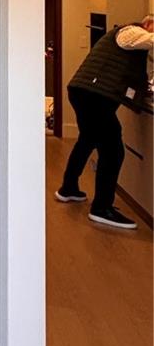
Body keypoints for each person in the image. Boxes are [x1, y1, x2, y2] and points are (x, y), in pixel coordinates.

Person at [56, 13, 154, 229]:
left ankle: (68, 188)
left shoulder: (130, 42)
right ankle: (101, 208)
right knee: (113, 150)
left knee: (87, 139)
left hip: (84, 91)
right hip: (94, 95)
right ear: (147, 23)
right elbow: (148, 40)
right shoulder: (130, 32)